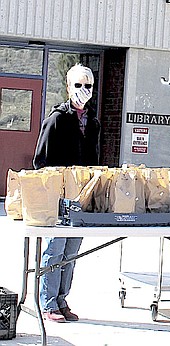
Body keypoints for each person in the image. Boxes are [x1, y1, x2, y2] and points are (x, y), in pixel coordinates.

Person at [33, 63, 100, 323]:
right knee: (55, 250)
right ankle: (48, 303)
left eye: (88, 85)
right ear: (68, 87)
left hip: (81, 198)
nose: (84, 90)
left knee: (71, 252)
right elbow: (41, 162)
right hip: (60, 197)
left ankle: (62, 300)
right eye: (78, 85)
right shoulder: (57, 119)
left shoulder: (92, 121)